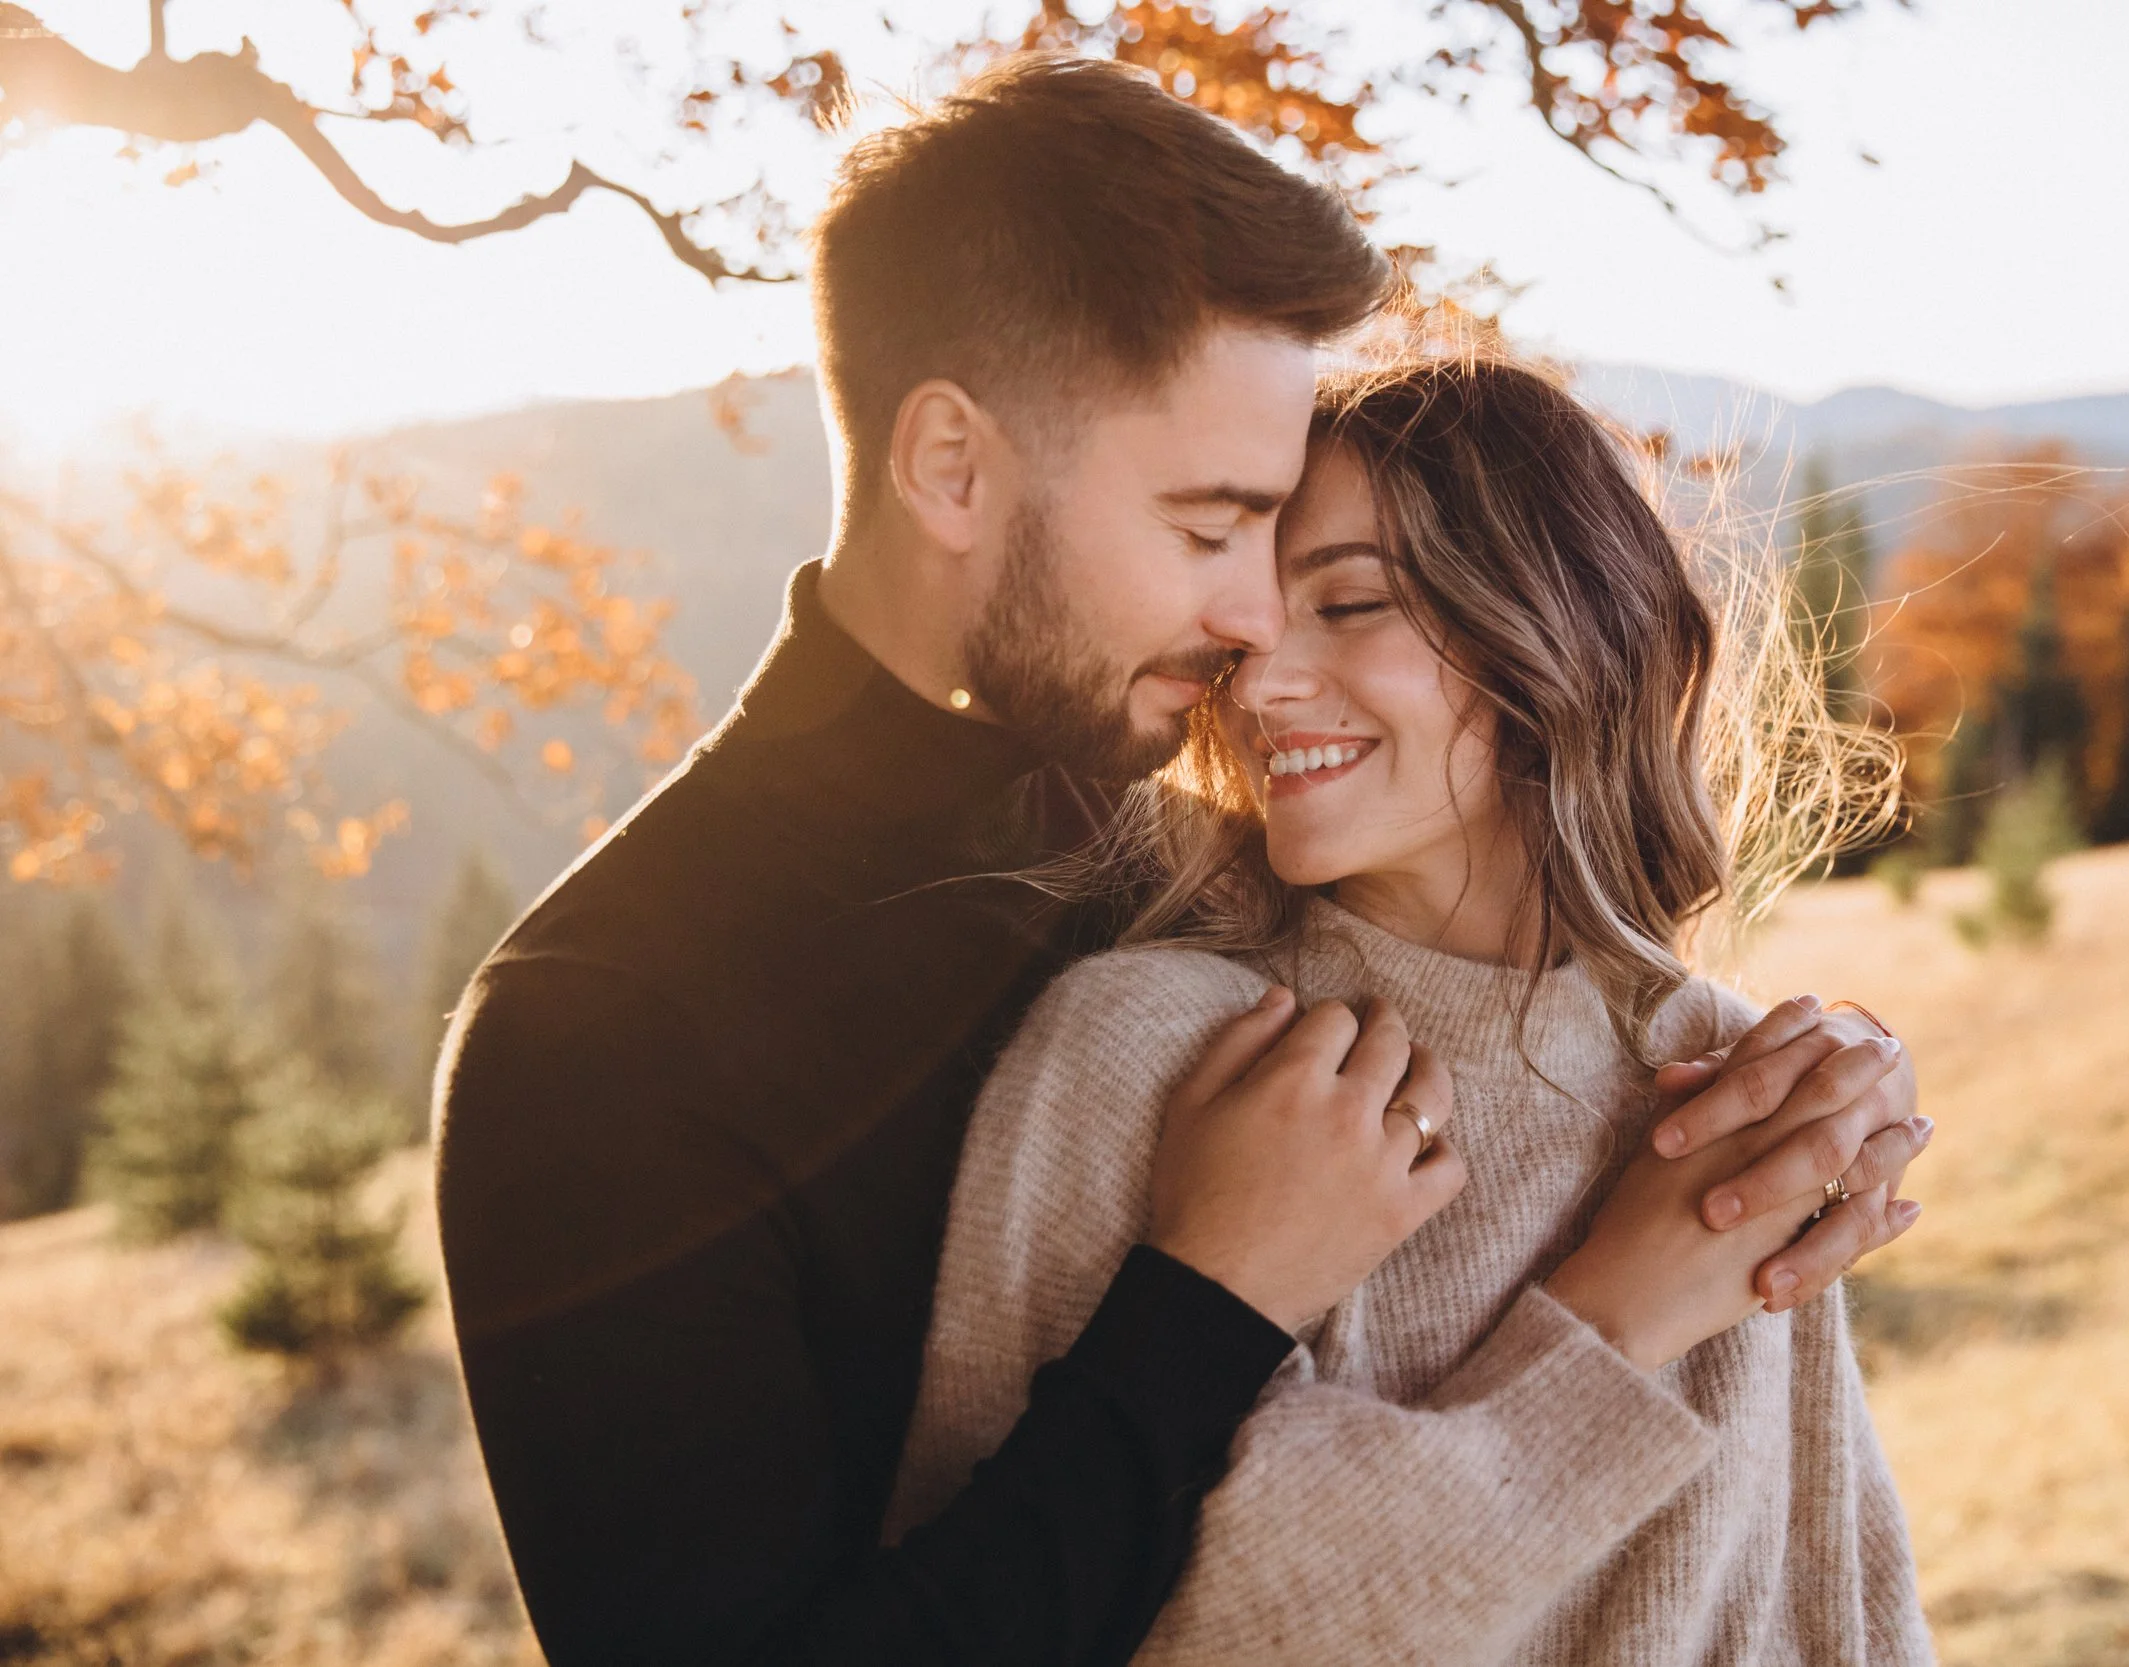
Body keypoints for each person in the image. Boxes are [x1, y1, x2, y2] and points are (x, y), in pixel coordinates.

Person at [435, 56, 1926, 1667]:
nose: (1247, 626)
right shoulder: (599, 1028)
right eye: (1213, 524)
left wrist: (1825, 1073)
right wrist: (1207, 1299)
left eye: (1289, 553)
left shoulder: (1200, 841)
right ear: (952, 468)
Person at [886, 356, 1933, 1663]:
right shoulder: (1145, 1053)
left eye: (1352, 603)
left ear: (1558, 626)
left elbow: (1832, 1607)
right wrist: (1613, 1324)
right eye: (1258, 634)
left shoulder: (1733, 1079)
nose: (1262, 689)